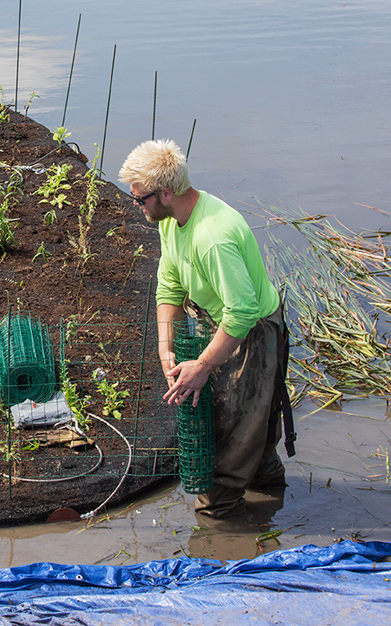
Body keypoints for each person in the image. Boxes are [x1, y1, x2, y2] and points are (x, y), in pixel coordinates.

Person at [118, 139, 294, 518]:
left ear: (166, 192)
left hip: (253, 332)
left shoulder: (212, 237)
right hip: (219, 320)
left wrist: (204, 365)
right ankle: (273, 507)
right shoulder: (171, 219)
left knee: (227, 450)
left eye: (140, 199)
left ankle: (220, 540)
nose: (137, 206)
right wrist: (166, 347)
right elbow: (169, 285)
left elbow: (244, 312)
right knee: (250, 436)